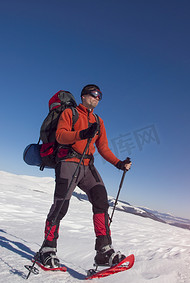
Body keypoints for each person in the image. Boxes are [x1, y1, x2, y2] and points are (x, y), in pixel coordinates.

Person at [39, 84, 132, 268]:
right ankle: (47, 250)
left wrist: (119, 163)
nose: (97, 98)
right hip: (68, 162)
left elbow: (103, 148)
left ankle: (104, 251)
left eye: (99, 96)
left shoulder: (98, 120)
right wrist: (82, 134)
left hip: (88, 166)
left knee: (101, 200)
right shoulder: (70, 113)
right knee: (61, 206)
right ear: (83, 96)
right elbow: (60, 136)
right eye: (94, 95)